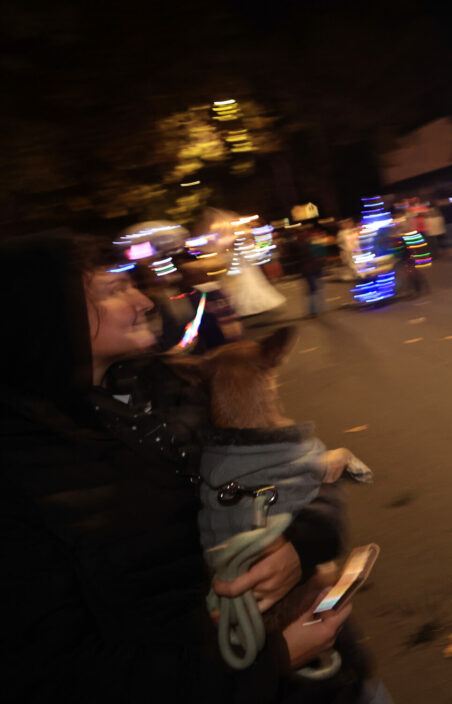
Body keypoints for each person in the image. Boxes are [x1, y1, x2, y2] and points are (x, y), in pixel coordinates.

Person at [0, 232, 377, 702]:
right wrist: (271, 661)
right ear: (48, 317)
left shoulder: (182, 382)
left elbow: (300, 468)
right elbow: (60, 671)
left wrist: (298, 546)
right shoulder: (24, 469)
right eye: (113, 291)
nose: (143, 300)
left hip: (334, 677)